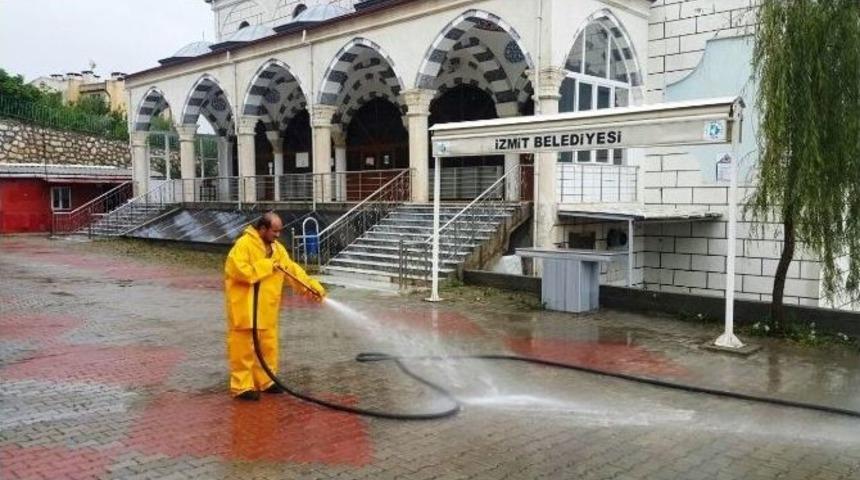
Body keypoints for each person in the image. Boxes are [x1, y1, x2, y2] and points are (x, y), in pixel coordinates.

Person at [224, 211, 326, 401]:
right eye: (274, 231)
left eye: (279, 231)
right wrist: (267, 266)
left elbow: (292, 271)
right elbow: (239, 271)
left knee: (268, 347)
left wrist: (311, 288)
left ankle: (266, 380)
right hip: (245, 310)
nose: (278, 235)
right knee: (243, 349)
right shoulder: (243, 246)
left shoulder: (278, 250)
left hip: (267, 309)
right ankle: (242, 386)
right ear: (262, 229)